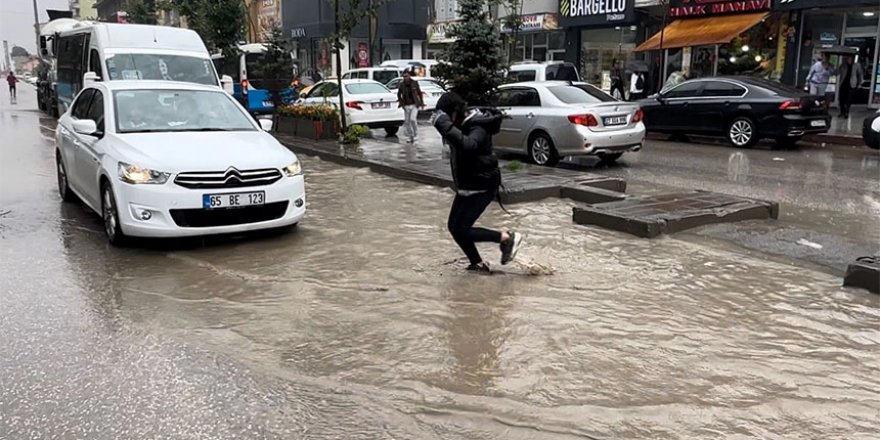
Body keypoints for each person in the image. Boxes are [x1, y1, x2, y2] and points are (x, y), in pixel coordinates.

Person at [431, 92, 523, 273]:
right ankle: (477, 263)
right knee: (454, 227)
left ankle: (506, 238)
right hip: (468, 185)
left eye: (447, 116)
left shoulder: (478, 126)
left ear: (454, 113)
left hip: (482, 186)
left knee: (462, 229)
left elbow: (469, 146)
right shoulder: (463, 124)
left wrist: (443, 124)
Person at [397, 69, 424, 143]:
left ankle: (416, 135)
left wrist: (421, 102)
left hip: (414, 104)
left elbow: (419, 93)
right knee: (407, 122)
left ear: (409, 76)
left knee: (413, 119)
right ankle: (410, 136)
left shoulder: (414, 83)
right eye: (404, 76)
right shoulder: (402, 84)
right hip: (406, 105)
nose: (405, 78)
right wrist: (401, 103)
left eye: (406, 76)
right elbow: (399, 94)